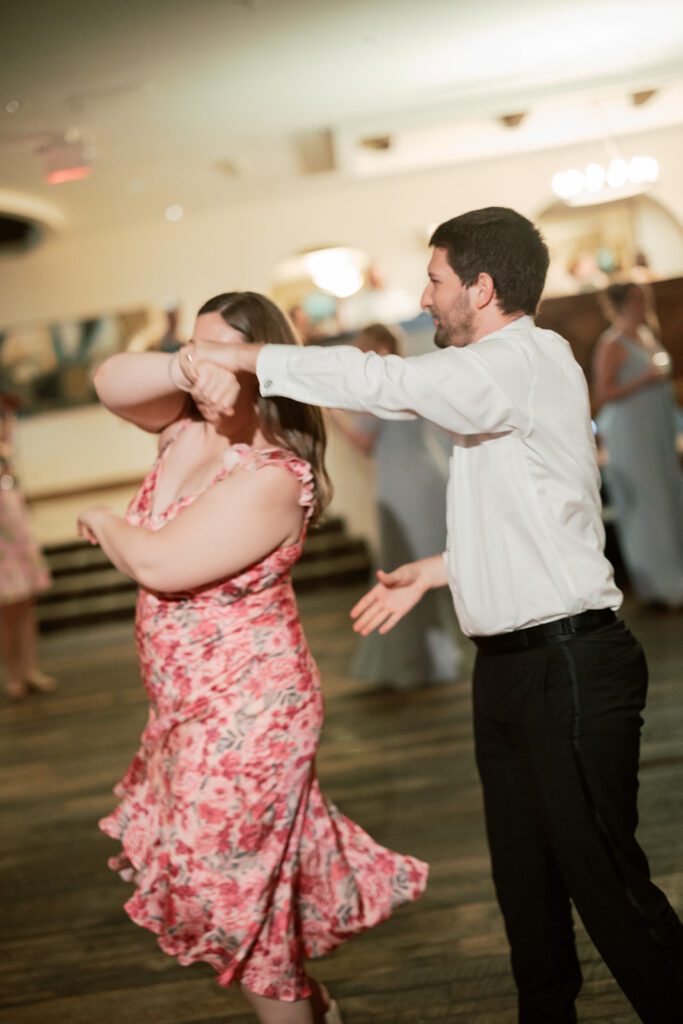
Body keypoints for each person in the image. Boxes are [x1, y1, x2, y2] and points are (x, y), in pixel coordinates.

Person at [186, 210, 683, 1024]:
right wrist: (442, 568)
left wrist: (245, 357)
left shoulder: (520, 358)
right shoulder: (498, 375)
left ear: (480, 289)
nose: (424, 298)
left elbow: (386, 386)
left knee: (609, 891)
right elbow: (542, 514)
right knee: (525, 891)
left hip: (567, 669)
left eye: (435, 281)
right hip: (512, 669)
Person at [78, 292, 428, 1024]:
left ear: (261, 363)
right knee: (236, 897)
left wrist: (106, 521)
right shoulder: (182, 429)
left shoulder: (274, 476)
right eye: (192, 347)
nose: (201, 364)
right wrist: (184, 366)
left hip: (250, 715)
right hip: (182, 709)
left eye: (220, 351)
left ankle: (300, 1005)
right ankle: (309, 1004)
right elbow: (107, 380)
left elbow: (160, 564)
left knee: (224, 891)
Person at [329, 323, 461, 690]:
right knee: (415, 564)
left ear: (381, 347)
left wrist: (329, 412)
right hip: (423, 477)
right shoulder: (407, 376)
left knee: (405, 566)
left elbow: (362, 440)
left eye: (363, 348)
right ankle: (427, 657)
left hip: (405, 486)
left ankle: (416, 660)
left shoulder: (386, 382)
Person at [593, 282, 683, 608]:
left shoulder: (647, 333)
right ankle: (659, 586)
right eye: (636, 298)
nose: (644, 302)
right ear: (621, 303)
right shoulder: (612, 343)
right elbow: (604, 392)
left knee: (669, 499)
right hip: (631, 432)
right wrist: (644, 380)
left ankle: (676, 575)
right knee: (647, 504)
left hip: (657, 429)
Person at [0, 391, 55, 701]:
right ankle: (14, 674)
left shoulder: (8, 452)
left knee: (26, 608)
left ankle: (31, 669)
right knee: (6, 613)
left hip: (17, 534)